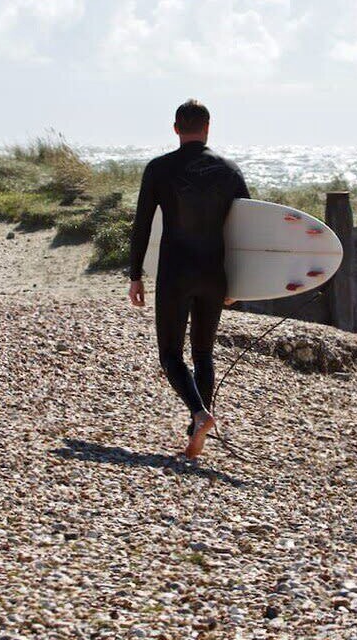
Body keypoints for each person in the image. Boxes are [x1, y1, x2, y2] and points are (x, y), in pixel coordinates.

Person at [128, 100, 250, 459]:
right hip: (214, 273)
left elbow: (143, 225)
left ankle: (199, 414)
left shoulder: (159, 169)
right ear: (208, 126)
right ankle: (197, 431)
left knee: (170, 354)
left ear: (176, 128)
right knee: (203, 354)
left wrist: (135, 275)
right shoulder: (229, 171)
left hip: (176, 273)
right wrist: (239, 283)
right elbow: (248, 231)